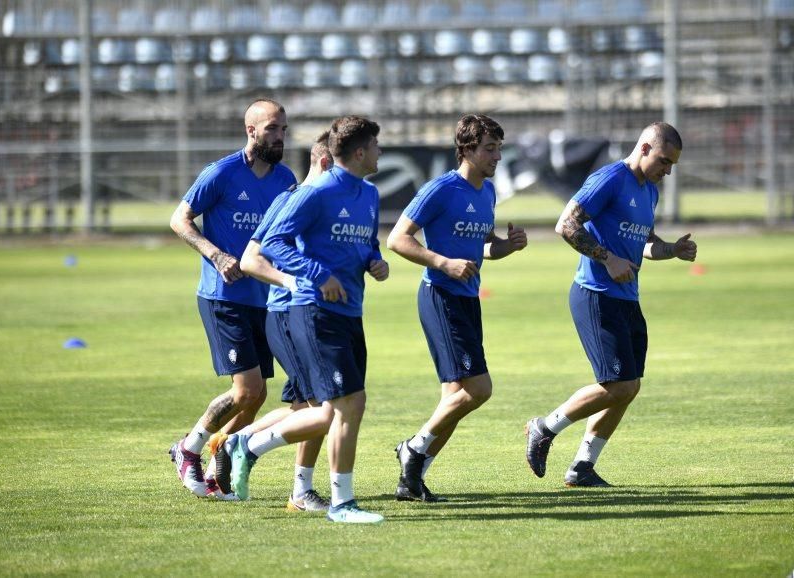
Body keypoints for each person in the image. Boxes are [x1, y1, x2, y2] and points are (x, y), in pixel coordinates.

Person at [215, 115, 389, 524]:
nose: (382, 152)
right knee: (342, 407)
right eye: (377, 146)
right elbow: (271, 245)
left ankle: (248, 449)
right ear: (360, 152)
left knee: (339, 408)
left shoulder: (370, 194)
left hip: (350, 310)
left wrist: (374, 261)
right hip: (313, 310)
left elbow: (364, 242)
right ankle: (339, 503)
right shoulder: (316, 193)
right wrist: (316, 275)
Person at [524, 122, 697, 487]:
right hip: (595, 294)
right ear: (645, 148)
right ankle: (543, 427)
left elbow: (644, 245)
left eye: (672, 166)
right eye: (664, 161)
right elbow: (566, 224)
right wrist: (606, 258)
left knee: (629, 387)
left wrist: (672, 250)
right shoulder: (609, 179)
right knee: (617, 384)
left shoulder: (649, 192)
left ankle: (582, 466)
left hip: (627, 298)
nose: (667, 171)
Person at [387, 114, 528, 502]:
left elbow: (484, 246)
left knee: (453, 398)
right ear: (466, 149)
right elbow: (397, 240)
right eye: (489, 148)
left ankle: (411, 481)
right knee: (478, 389)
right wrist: (443, 263)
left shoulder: (487, 192)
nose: (497, 156)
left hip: (467, 299)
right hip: (440, 296)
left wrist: (506, 245)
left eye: (499, 148)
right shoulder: (441, 189)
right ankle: (412, 450)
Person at [168, 99, 296, 499]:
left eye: (283, 130)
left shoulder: (286, 178)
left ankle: (217, 462)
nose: (279, 136)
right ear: (251, 130)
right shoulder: (221, 174)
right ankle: (188, 448)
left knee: (256, 395)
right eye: (272, 128)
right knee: (245, 390)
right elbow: (179, 220)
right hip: (223, 296)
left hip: (265, 299)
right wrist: (217, 255)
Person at [208, 131, 334, 513]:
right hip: (289, 314)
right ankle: (297, 488)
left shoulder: (314, 199)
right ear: (328, 162)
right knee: (323, 408)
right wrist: (294, 281)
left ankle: (236, 442)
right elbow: (255, 256)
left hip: (304, 314)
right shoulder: (294, 200)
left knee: (307, 408)